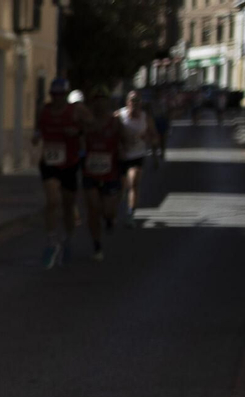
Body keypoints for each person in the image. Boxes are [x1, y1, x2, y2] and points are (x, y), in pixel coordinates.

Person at [35, 77, 92, 269]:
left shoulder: (76, 110)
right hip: (49, 162)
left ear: (66, 95)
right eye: (54, 94)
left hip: (69, 162)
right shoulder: (45, 111)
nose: (57, 98)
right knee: (52, 201)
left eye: (60, 95)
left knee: (68, 205)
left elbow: (92, 127)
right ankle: (52, 241)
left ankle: (67, 239)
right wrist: (36, 137)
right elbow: (38, 131)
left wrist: (77, 132)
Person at [81, 90, 124, 262]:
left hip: (110, 171)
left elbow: (124, 139)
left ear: (107, 104)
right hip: (90, 171)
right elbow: (79, 141)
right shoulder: (86, 124)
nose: (99, 105)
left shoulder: (115, 123)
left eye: (102, 101)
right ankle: (97, 245)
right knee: (93, 209)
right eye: (96, 102)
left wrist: (124, 148)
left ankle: (109, 219)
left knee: (108, 210)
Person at [117, 91, 159, 226]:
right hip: (121, 156)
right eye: (132, 100)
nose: (134, 104)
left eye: (137, 101)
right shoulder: (119, 116)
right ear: (127, 102)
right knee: (121, 187)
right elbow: (110, 134)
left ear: (141, 103)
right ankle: (115, 211)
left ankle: (130, 213)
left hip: (137, 155)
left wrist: (147, 139)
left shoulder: (146, 118)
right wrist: (120, 146)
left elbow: (155, 137)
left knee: (134, 182)